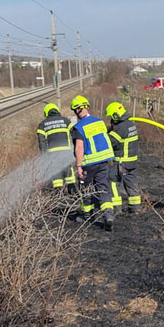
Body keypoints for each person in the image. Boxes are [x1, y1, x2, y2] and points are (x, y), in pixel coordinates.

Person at [70, 95, 115, 231]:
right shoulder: (100, 122)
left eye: (76, 110)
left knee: (86, 189)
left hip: (88, 163)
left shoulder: (78, 127)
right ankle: (108, 216)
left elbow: (79, 148)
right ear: (87, 107)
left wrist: (78, 166)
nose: (77, 113)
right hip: (104, 161)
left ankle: (86, 215)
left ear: (78, 111)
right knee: (103, 188)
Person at [105, 101, 142, 214]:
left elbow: (110, 142)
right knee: (131, 183)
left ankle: (117, 209)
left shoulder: (120, 128)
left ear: (115, 116)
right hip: (132, 161)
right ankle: (135, 208)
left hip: (122, 162)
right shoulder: (130, 124)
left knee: (113, 182)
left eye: (111, 116)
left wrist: (106, 132)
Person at [37, 103, 76, 191]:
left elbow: (42, 142)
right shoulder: (66, 121)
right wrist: (75, 150)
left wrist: (45, 156)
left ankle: (59, 196)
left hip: (53, 155)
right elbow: (75, 135)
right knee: (70, 174)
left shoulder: (42, 125)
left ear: (46, 113)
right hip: (66, 153)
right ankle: (73, 193)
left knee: (56, 177)